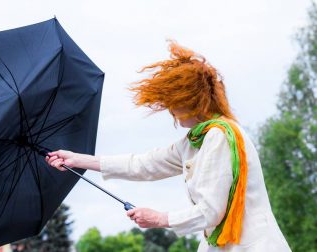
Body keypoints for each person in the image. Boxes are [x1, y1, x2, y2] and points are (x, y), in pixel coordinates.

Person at [45, 41, 291, 251]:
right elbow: (143, 164)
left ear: (193, 100)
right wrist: (78, 159)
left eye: (173, 102)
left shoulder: (219, 136)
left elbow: (211, 211)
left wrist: (160, 219)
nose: (171, 110)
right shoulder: (196, 141)